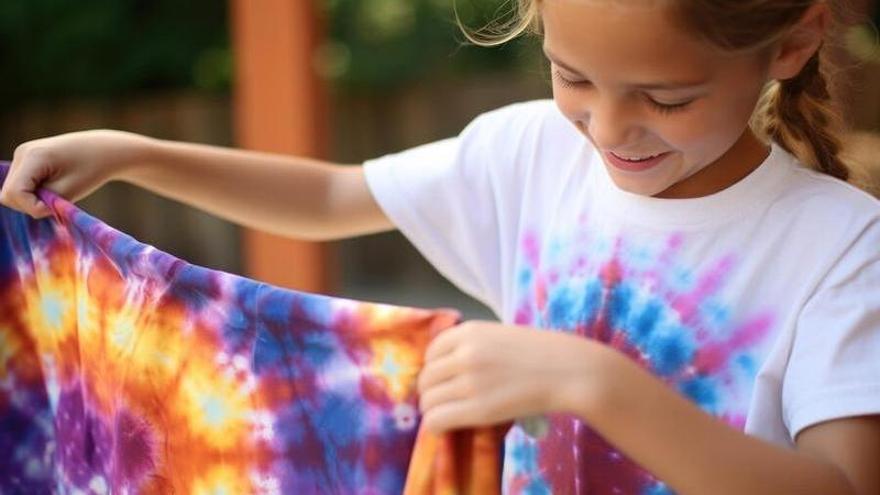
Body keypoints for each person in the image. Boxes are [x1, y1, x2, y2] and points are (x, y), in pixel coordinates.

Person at [2, 0, 879, 493]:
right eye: (572, 76)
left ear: (792, 45)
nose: (608, 127)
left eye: (666, 97)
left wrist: (596, 384)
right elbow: (334, 194)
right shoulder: (531, 153)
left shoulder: (842, 245)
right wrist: (133, 154)